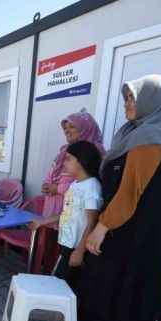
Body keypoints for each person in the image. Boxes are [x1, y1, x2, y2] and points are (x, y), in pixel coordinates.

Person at [80, 74, 161, 321]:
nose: (127, 103)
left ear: (154, 102)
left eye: (132, 98)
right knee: (112, 288)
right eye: (125, 97)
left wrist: (101, 226)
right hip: (123, 227)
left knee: (122, 290)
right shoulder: (133, 132)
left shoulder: (151, 138)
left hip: (133, 231)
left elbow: (129, 192)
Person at [35, 110, 104, 272]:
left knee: (69, 273)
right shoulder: (66, 150)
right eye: (65, 128)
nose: (67, 130)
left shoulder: (94, 153)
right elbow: (56, 175)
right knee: (58, 258)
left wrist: (57, 188)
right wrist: (47, 184)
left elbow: (91, 218)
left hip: (78, 235)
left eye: (72, 126)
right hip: (64, 215)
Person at [29, 141, 103, 291]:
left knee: (65, 288)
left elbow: (92, 222)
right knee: (60, 284)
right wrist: (41, 222)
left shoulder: (92, 187)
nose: (64, 163)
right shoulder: (75, 184)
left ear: (82, 161)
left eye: (69, 158)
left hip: (76, 249)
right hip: (67, 245)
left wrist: (80, 251)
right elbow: (66, 213)